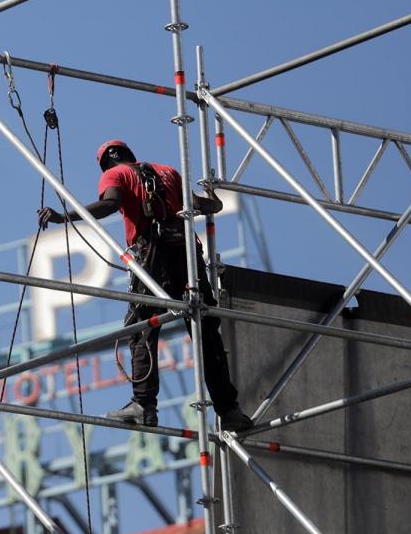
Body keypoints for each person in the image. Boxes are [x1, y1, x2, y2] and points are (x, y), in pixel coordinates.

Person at [38, 139, 253, 432]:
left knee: (142, 328)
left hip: (152, 255)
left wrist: (65, 217)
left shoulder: (116, 174)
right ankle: (229, 410)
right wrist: (214, 199)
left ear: (109, 159)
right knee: (205, 331)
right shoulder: (168, 172)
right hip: (187, 256)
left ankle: (143, 404)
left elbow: (110, 202)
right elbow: (201, 205)